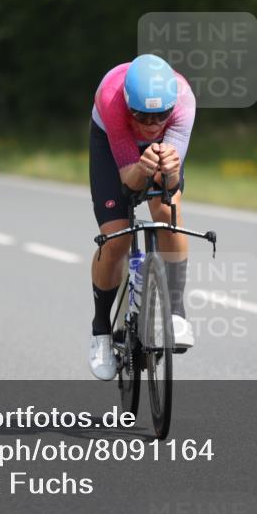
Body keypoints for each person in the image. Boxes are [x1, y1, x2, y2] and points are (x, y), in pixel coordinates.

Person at [87, 54, 196, 381]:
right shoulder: (112, 98)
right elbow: (129, 184)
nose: (151, 124)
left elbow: (168, 186)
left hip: (161, 149)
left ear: (171, 107)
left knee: (168, 214)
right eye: (142, 115)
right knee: (117, 238)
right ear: (128, 105)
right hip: (111, 143)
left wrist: (169, 172)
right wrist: (142, 167)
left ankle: (176, 314)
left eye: (160, 115)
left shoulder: (184, 100)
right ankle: (101, 331)